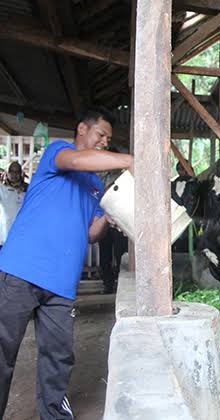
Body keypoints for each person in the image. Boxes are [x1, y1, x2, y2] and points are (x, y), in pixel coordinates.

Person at [0, 108, 133, 419]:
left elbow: (90, 234)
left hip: (61, 285)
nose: (104, 142)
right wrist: (129, 160)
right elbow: (77, 161)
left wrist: (108, 218)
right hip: (21, 270)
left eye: (109, 139)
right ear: (81, 130)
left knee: (58, 358)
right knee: (3, 353)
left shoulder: (96, 187)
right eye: (101, 135)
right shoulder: (60, 152)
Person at [0, 162, 28, 250]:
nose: (14, 174)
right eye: (11, 171)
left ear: (21, 173)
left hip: (21, 234)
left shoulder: (27, 190)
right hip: (4, 234)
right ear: (6, 173)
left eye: (17, 172)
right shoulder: (1, 189)